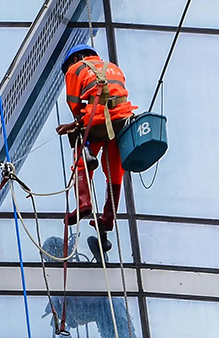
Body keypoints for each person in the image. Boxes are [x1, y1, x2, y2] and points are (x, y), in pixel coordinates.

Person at [56, 42, 137, 258]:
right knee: (114, 167)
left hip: (98, 120)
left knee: (80, 154)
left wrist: (76, 125)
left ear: (75, 59)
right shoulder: (113, 67)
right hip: (122, 119)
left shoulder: (75, 68)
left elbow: (75, 103)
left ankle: (84, 203)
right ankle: (108, 217)